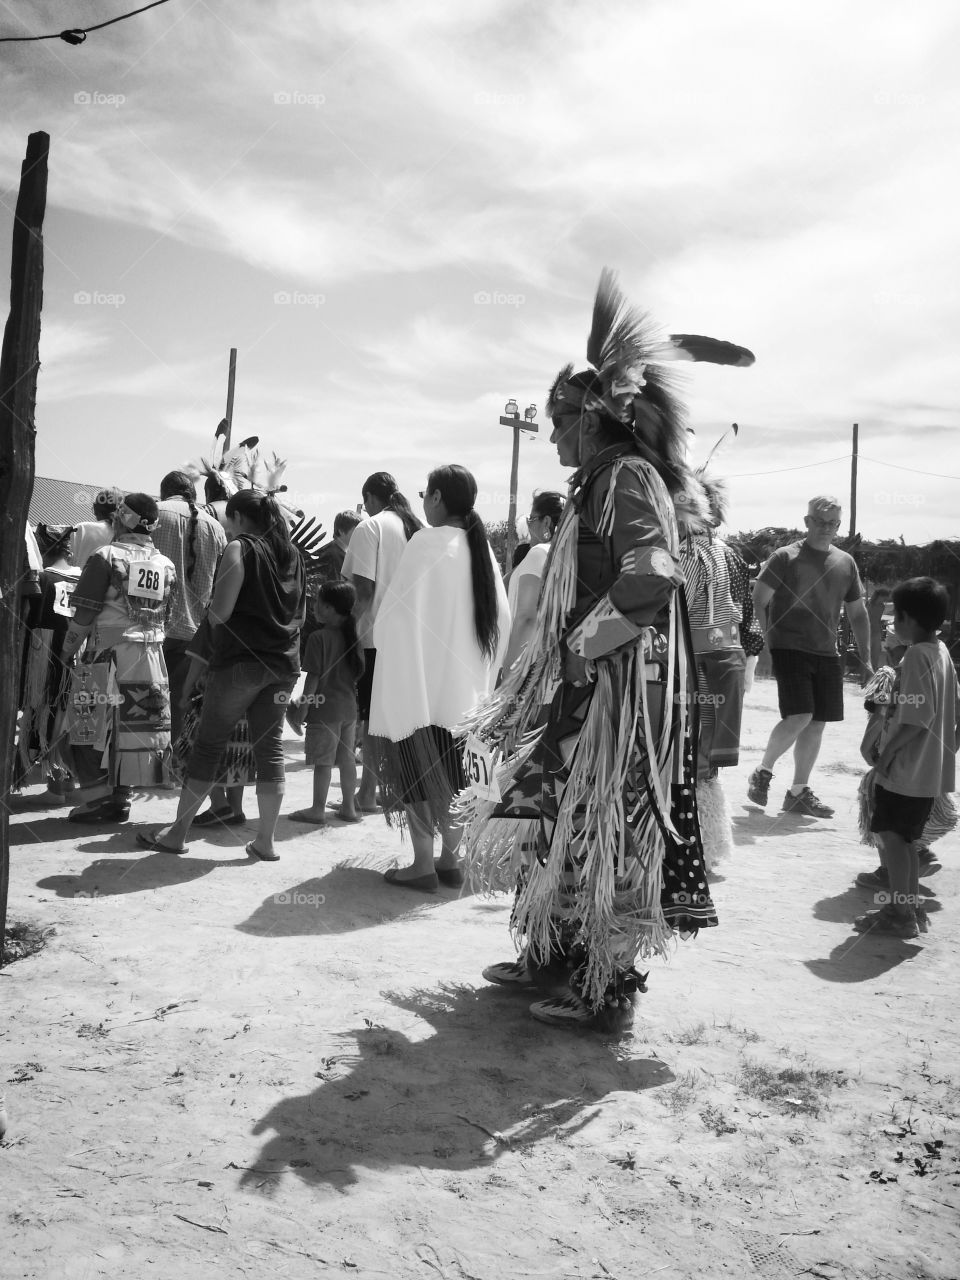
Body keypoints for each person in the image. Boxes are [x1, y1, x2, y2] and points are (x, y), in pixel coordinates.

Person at [458, 269, 754, 1028]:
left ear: (594, 419)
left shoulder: (623, 477)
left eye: (560, 419)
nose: (552, 432)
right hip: (592, 689)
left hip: (620, 696)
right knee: (559, 815)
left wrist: (584, 650)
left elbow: (650, 575)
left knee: (610, 823)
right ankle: (550, 955)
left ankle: (606, 988)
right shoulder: (600, 481)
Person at [136, 491, 306, 861]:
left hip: (240, 663)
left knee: (209, 746)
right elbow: (299, 616)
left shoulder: (240, 548)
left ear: (240, 517)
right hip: (283, 665)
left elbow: (221, 612)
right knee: (270, 750)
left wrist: (211, 612)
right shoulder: (292, 554)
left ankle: (177, 834)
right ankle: (265, 842)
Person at [369, 464, 509, 892]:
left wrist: (388, 645)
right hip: (466, 692)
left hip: (422, 684)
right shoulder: (480, 549)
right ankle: (451, 861)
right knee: (461, 775)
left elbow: (393, 615)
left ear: (437, 498)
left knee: (415, 768)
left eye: (427, 493)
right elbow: (500, 619)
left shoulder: (427, 543)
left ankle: (421, 865)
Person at [747, 496, 873, 817]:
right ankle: (762, 771)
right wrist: (766, 644)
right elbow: (759, 601)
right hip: (789, 647)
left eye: (832, 523)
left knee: (817, 723)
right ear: (807, 521)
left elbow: (858, 614)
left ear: (839, 526)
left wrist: (867, 659)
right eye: (820, 521)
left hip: (826, 653)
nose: (825, 528)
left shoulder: (846, 562)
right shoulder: (784, 557)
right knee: (800, 716)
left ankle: (798, 791)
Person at [853, 578, 960, 938]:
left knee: (891, 837)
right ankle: (908, 906)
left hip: (906, 771)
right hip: (928, 773)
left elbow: (917, 719)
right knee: (906, 840)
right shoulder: (941, 651)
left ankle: (900, 914)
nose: (893, 624)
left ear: (910, 619)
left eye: (896, 617)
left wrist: (885, 757)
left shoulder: (916, 656)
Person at [60, 495, 177, 823]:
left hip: (106, 656)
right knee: (132, 731)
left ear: (121, 520)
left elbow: (84, 613)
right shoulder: (166, 565)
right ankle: (121, 798)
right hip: (151, 659)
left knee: (87, 726)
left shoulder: (105, 556)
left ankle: (98, 799)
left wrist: (66, 650)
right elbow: (166, 615)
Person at [342, 472, 423, 812]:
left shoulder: (369, 527)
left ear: (370, 498)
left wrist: (347, 637)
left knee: (372, 720)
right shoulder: (416, 529)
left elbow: (362, 593)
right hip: (414, 640)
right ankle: (397, 792)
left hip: (375, 638)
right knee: (401, 721)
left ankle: (367, 794)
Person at [152, 470, 227, 744]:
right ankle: (172, 763)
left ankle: (142, 764)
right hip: (195, 632)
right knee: (180, 700)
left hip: (151, 626)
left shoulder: (154, 513)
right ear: (193, 495)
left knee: (143, 697)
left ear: (164, 492)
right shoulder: (216, 528)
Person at [287, 581, 365, 825]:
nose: (314, 607)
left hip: (324, 711)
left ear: (330, 608)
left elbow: (312, 680)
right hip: (349, 710)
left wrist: (301, 711)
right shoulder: (354, 637)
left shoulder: (319, 638)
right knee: (347, 760)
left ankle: (318, 809)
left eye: (318, 603)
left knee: (323, 763)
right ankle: (349, 808)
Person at [16, 525, 82, 798]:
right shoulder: (83, 577)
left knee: (40, 713)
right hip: (77, 654)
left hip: (42, 657)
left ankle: (53, 781)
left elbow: (26, 618)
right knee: (68, 717)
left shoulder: (41, 578)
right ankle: (64, 782)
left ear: (43, 550)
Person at [501, 490, 564, 675]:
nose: (528, 526)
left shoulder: (539, 553)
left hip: (523, 666)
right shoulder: (564, 555)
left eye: (531, 519)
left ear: (546, 522)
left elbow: (526, 617)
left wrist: (508, 672)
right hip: (546, 665)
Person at [301, 509, 363, 660]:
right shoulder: (332, 554)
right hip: (327, 626)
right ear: (341, 531)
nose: (360, 536)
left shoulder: (340, 553)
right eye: (356, 532)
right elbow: (335, 594)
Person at [70, 488, 122, 568]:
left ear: (95, 508)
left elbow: (68, 561)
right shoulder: (123, 535)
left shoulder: (81, 528)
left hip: (76, 579)